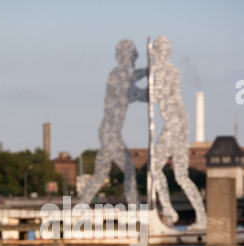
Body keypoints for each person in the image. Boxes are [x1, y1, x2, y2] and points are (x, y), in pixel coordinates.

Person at [80, 39, 148, 206]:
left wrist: (148, 71)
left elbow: (134, 76)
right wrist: (151, 89)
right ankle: (135, 207)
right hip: (110, 132)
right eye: (127, 56)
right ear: (120, 57)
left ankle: (80, 206)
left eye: (132, 57)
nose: (130, 60)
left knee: (100, 175)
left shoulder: (122, 74)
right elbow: (135, 93)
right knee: (129, 170)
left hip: (108, 131)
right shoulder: (118, 75)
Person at [152, 36, 206, 228]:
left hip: (175, 123)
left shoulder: (165, 70)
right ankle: (200, 216)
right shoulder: (168, 70)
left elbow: (155, 94)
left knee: (155, 166)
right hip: (180, 123)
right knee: (181, 176)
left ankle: (169, 210)